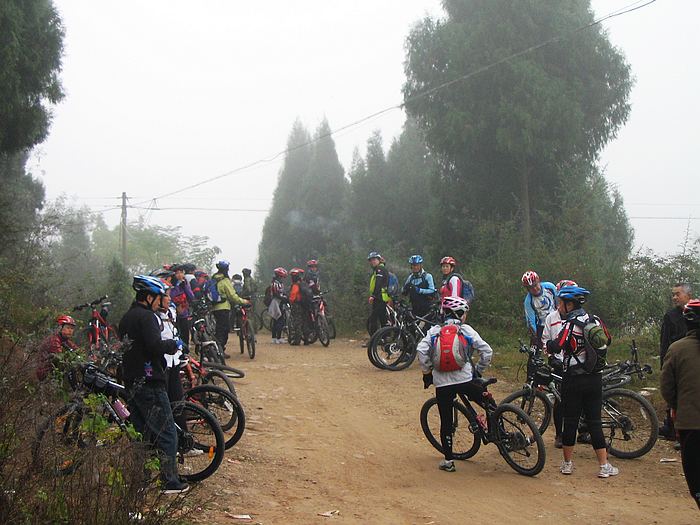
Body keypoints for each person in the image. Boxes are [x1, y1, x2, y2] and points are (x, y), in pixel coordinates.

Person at [118, 275, 189, 494]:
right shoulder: (148, 317)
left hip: (132, 380)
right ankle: (170, 481)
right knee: (167, 432)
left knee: (142, 433)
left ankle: (140, 479)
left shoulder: (127, 317)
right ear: (148, 297)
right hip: (150, 380)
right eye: (159, 297)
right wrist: (172, 344)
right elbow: (154, 346)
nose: (161, 301)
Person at [416, 295, 493, 472]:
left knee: (446, 421)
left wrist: (427, 373)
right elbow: (487, 351)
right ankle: (501, 434)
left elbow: (421, 350)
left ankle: (449, 461)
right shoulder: (465, 330)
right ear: (460, 314)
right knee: (489, 403)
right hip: (465, 379)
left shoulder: (435, 331)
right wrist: (478, 370)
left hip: (442, 383)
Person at [550, 285, 618, 478]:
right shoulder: (595, 320)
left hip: (572, 378)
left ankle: (567, 465)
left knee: (570, 421)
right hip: (594, 378)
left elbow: (557, 346)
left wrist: (548, 344)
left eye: (561, 303)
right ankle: (604, 466)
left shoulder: (569, 325)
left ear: (570, 305)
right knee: (594, 421)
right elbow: (608, 340)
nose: (559, 307)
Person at [661, 299, 700, 510]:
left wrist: (680, 405)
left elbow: (667, 388)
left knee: (696, 481)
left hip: (690, 423)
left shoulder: (677, 349)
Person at [541, 279, 578, 449]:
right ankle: (559, 434)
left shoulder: (580, 318)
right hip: (559, 364)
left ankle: (582, 430)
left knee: (579, 398)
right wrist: (551, 357)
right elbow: (545, 340)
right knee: (560, 400)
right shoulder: (551, 318)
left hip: (576, 364)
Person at [659, 283, 693, 440]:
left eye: (677, 294)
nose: (674, 297)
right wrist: (664, 364)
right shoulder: (670, 316)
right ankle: (673, 429)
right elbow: (665, 342)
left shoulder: (696, 312)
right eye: (673, 294)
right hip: (676, 361)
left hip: (693, 362)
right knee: (674, 396)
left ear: (688, 295)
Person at [211, 260, 248, 356]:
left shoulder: (214, 278)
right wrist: (243, 301)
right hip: (223, 308)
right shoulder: (225, 280)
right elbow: (232, 296)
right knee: (224, 330)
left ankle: (217, 350)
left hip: (215, 307)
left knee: (219, 329)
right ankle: (219, 351)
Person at [36, 315, 79, 381]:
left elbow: (77, 350)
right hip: (45, 374)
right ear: (60, 328)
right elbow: (60, 357)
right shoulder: (54, 340)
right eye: (68, 328)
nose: (70, 330)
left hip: (54, 372)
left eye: (72, 328)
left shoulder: (64, 340)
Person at [522, 270, 557, 348]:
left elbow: (559, 303)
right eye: (530, 288)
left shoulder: (550, 287)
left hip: (556, 321)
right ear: (527, 289)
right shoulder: (528, 301)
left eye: (535, 285)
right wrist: (535, 337)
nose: (534, 288)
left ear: (539, 281)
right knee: (537, 350)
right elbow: (531, 322)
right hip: (542, 326)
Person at [169, 265, 194, 349]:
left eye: (181, 272)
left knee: (185, 335)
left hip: (184, 314)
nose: (179, 275)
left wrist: (185, 286)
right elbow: (170, 297)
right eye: (177, 273)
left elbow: (191, 296)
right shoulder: (170, 285)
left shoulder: (184, 283)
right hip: (174, 315)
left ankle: (185, 352)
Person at [367, 252, 390, 336]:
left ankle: (373, 339)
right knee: (382, 319)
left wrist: (373, 295)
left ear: (379, 260)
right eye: (371, 260)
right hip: (381, 298)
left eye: (374, 259)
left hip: (379, 297)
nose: (372, 261)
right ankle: (385, 337)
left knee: (373, 319)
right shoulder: (380, 269)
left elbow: (378, 283)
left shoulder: (379, 269)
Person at [288, 268, 313, 345]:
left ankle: (297, 340)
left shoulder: (296, 285)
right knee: (305, 322)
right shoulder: (304, 284)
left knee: (297, 322)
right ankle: (306, 340)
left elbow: (293, 296)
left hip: (297, 305)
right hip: (305, 305)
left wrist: (290, 300)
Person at [268, 267, 288, 344]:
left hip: (278, 302)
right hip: (277, 303)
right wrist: (285, 298)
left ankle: (274, 338)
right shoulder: (275, 283)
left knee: (276, 320)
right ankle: (278, 338)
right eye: (282, 277)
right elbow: (277, 294)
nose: (283, 278)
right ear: (279, 276)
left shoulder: (278, 283)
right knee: (280, 320)